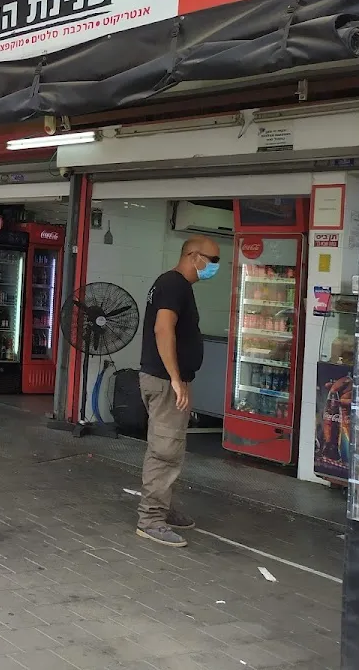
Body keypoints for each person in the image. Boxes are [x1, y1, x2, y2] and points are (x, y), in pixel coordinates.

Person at [136, 235, 221, 548]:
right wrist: (174, 378)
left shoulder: (175, 285)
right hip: (164, 380)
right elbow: (163, 329)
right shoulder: (174, 284)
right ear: (193, 256)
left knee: (169, 447)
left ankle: (163, 507)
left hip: (168, 380)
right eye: (212, 260)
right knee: (165, 450)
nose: (215, 267)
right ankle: (151, 519)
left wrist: (181, 379)